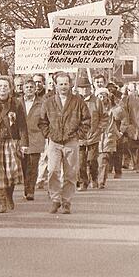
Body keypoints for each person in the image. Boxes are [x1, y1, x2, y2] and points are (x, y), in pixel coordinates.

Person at [37, 72, 91, 214]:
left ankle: (66, 201)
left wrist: (78, 135)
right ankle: (55, 199)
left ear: (70, 85)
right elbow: (42, 122)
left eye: (66, 84)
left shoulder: (78, 101)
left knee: (70, 173)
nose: (63, 87)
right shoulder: (48, 102)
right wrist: (49, 134)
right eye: (60, 84)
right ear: (55, 85)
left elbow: (86, 120)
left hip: (71, 142)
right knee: (53, 171)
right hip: (54, 142)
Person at [0, 75, 28, 212]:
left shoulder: (16, 104)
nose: (3, 88)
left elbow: (22, 125)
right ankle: (2, 200)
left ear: (10, 89)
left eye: (5, 86)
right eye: (0, 86)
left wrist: (24, 143)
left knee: (11, 172)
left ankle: (9, 195)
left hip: (11, 141)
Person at [21, 77, 45, 200]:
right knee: (24, 166)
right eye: (27, 87)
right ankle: (26, 187)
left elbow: (45, 120)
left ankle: (31, 190)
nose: (29, 89)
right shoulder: (17, 102)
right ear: (23, 89)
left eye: (31, 87)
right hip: (21, 139)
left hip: (36, 138)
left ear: (35, 89)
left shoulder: (42, 103)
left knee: (33, 165)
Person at [77, 77, 102, 190]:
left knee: (92, 160)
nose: (84, 90)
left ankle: (94, 177)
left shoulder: (96, 101)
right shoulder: (75, 101)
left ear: (90, 88)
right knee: (80, 161)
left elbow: (104, 117)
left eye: (86, 87)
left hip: (93, 135)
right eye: (82, 88)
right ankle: (83, 182)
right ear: (78, 89)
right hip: (80, 136)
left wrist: (99, 128)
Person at [96, 89, 123, 189]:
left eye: (104, 96)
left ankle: (101, 181)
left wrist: (117, 134)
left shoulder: (112, 109)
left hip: (108, 137)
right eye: (100, 96)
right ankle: (94, 179)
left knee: (104, 159)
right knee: (93, 161)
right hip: (96, 137)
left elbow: (115, 123)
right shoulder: (93, 108)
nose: (102, 98)